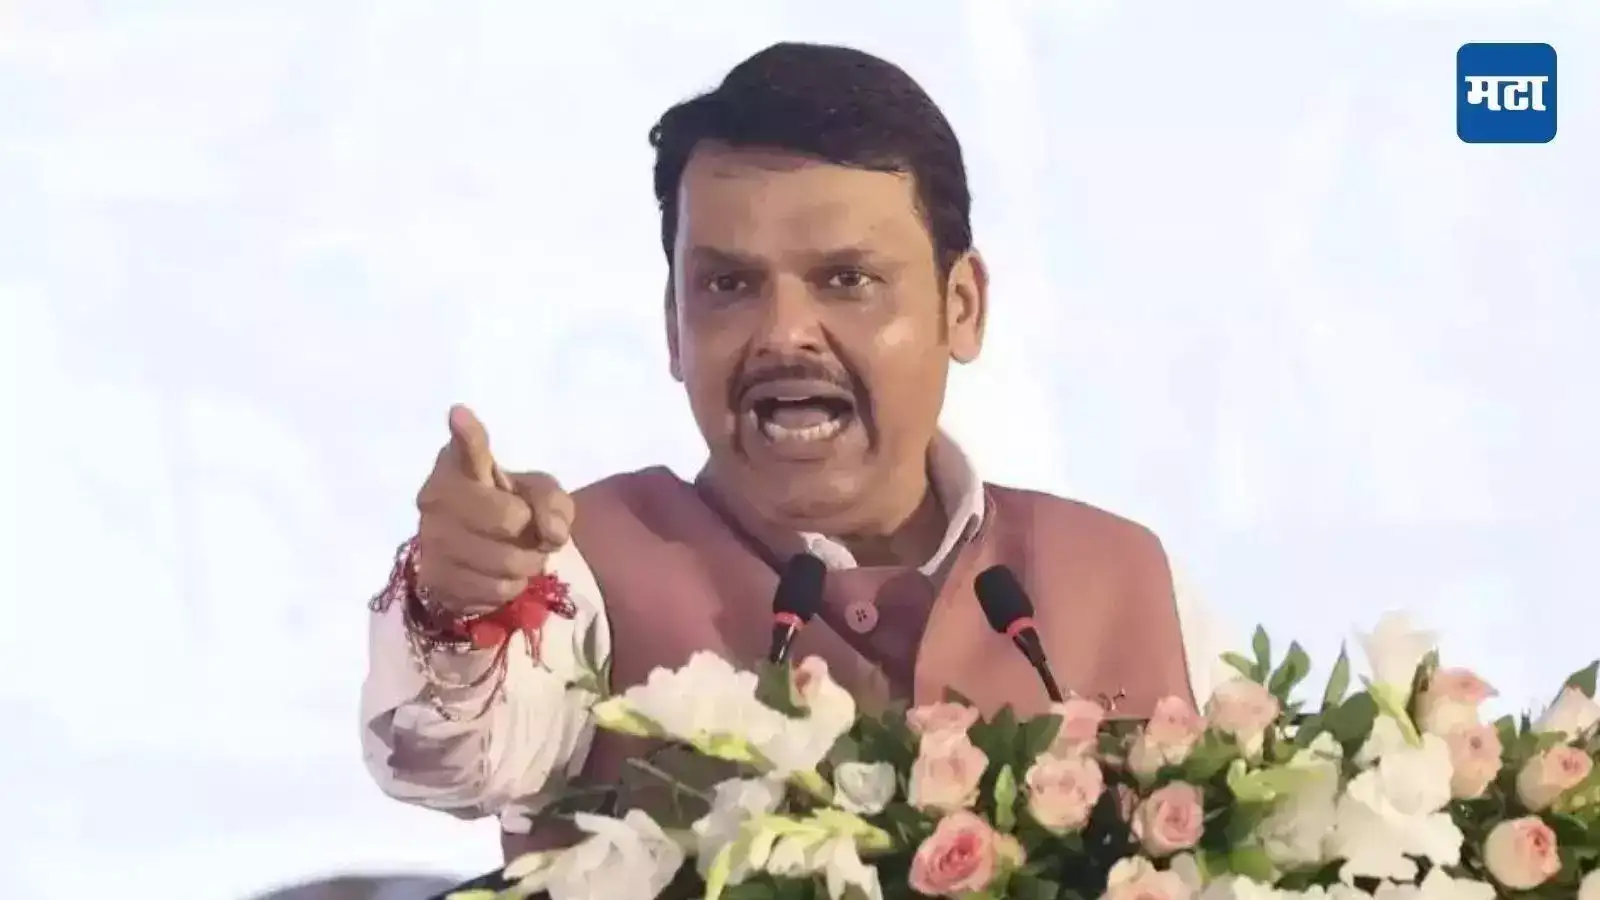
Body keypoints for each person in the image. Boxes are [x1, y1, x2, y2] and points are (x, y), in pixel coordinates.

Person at [360, 42, 1224, 864]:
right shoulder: (579, 569)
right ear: (674, 325)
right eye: (728, 285)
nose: (783, 334)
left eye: (847, 280)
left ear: (961, 306)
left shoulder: (1125, 575)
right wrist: (459, 604)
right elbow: (445, 759)